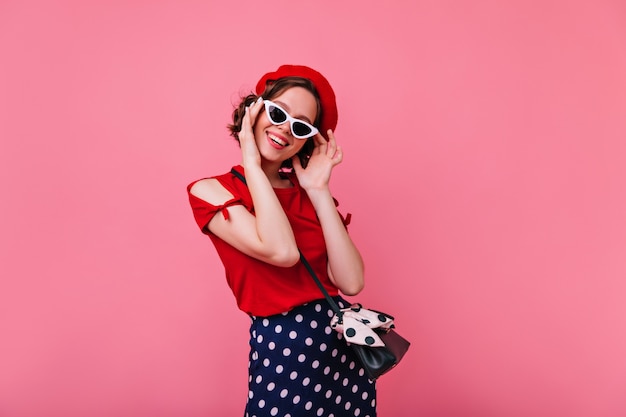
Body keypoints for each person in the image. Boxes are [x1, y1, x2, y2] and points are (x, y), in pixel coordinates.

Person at [187, 65, 376, 417]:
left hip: (344, 355)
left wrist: (319, 190)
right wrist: (252, 164)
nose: (285, 129)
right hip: (284, 352)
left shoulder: (309, 195)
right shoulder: (213, 191)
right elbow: (282, 252)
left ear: (307, 140)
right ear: (254, 111)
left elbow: (351, 282)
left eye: (300, 126)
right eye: (277, 113)